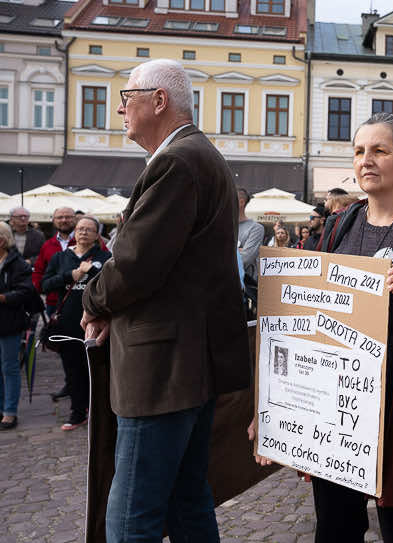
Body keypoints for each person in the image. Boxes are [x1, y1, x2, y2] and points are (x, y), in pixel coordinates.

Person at [251, 112, 393, 542]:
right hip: (336, 411)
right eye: (358, 151)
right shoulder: (338, 225)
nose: (365, 160)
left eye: (379, 150)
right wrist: (272, 408)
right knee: (335, 526)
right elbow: (301, 321)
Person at [80, 59, 249, 542]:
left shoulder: (178, 161)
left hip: (163, 371)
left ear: (158, 101)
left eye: (126, 96)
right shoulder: (197, 155)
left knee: (133, 516)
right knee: (187, 501)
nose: (119, 108)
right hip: (188, 365)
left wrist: (93, 300)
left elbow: (135, 264)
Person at [41, 215, 111, 431]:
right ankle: (77, 411)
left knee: (97, 367)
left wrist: (91, 271)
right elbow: (45, 285)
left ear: (96, 234)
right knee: (72, 370)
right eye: (80, 229)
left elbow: (111, 284)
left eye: (89, 229)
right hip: (69, 321)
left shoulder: (104, 256)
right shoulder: (61, 257)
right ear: (74, 233)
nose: (83, 233)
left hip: (96, 321)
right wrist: (71, 275)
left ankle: (99, 411)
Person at [32, 206, 78, 402]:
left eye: (68, 217)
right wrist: (39, 287)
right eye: (60, 217)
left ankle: (81, 385)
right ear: (54, 221)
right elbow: (39, 272)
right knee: (62, 348)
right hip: (54, 304)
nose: (64, 220)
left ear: (74, 219)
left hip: (78, 303)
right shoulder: (48, 245)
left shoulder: (87, 239)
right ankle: (70, 383)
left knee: (80, 347)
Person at [0, 222, 36, 430]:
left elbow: (25, 291)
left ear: (3, 240)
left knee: (10, 367)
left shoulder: (18, 264)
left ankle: (10, 412)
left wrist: (4, 297)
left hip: (10, 323)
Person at [237, 188, 265, 281]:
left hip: (244, 289)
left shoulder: (256, 228)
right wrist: (238, 251)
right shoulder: (223, 227)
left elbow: (244, 260)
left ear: (241, 202)